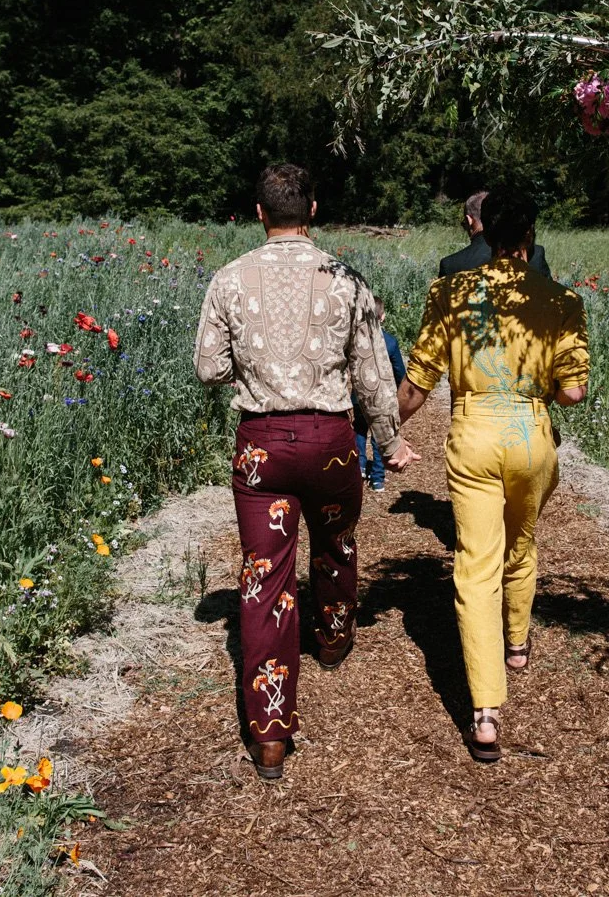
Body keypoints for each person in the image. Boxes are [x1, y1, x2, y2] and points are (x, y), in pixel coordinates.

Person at [194, 163, 419, 780]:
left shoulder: (230, 278)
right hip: (331, 442)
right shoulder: (347, 280)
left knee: (265, 576)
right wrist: (390, 439)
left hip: (263, 445)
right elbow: (374, 373)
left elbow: (209, 368)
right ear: (313, 209)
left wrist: (254, 368)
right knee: (336, 541)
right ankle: (334, 636)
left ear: (261, 212)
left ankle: (269, 735)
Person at [398, 190, 588, 762]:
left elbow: (418, 381)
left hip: (474, 432)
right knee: (521, 539)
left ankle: (484, 712)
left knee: (475, 564)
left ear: (484, 232)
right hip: (531, 435)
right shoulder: (561, 299)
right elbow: (573, 392)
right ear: (529, 236)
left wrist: (382, 428)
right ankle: (518, 642)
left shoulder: (450, 292)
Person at [352, 297, 406, 492]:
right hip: (381, 396)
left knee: (359, 429)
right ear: (382, 317)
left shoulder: (356, 339)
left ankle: (359, 467)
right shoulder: (390, 342)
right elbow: (399, 370)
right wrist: (399, 391)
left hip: (359, 395)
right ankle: (377, 479)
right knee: (378, 435)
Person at [438, 190, 551, 279]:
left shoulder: (451, 265)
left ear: (469, 221)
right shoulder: (536, 254)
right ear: (529, 236)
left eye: (464, 224)